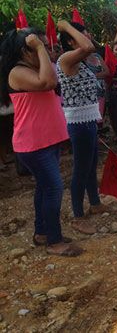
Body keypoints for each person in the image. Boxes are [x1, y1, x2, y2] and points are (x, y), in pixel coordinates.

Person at [0, 28, 83, 256]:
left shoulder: (32, 67)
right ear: (24, 51)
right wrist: (38, 48)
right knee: (54, 189)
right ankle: (54, 242)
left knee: (45, 188)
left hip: (46, 140)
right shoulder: (17, 71)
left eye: (46, 46)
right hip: (33, 144)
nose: (47, 49)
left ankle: (42, 233)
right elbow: (48, 81)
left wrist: (39, 49)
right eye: (41, 46)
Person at [57, 21, 112, 235]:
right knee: (81, 168)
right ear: (72, 41)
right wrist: (66, 26)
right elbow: (88, 46)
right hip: (78, 122)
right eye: (83, 34)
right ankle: (78, 216)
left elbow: (88, 48)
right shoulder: (65, 59)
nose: (88, 36)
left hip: (88, 118)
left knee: (91, 164)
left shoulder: (80, 59)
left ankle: (95, 202)